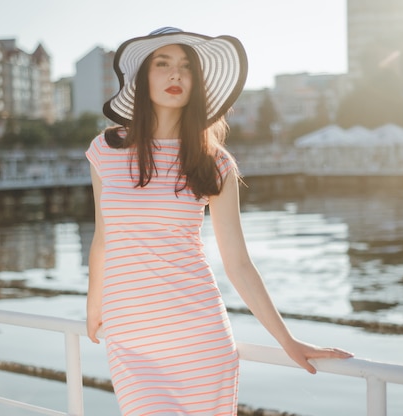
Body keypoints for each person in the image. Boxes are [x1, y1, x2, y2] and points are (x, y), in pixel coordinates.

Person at [85, 27, 353, 416]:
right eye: (163, 64)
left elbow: (238, 263)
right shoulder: (105, 150)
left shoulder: (214, 162)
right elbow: (103, 241)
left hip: (198, 336)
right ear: (143, 77)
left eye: (186, 68)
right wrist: (94, 305)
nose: (175, 75)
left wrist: (287, 339)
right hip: (131, 339)